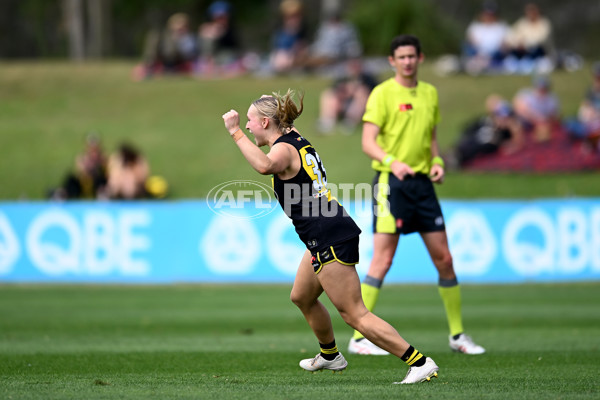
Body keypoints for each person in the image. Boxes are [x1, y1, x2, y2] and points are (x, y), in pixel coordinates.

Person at [221, 90, 439, 384]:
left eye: (250, 121)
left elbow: (263, 166)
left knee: (354, 314)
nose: (247, 126)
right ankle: (330, 355)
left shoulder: (282, 150)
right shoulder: (293, 138)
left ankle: (419, 362)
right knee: (302, 296)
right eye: (243, 123)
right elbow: (283, 127)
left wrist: (234, 132)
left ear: (265, 122)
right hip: (325, 233)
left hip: (329, 235)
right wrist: (269, 107)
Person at [348, 34, 485, 356]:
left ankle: (457, 336)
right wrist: (393, 163)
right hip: (389, 182)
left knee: (445, 260)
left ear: (420, 59)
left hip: (423, 185)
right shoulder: (382, 94)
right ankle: (359, 339)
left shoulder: (429, 93)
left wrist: (437, 162)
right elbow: (368, 142)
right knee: (382, 260)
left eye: (412, 56)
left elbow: (432, 139)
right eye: (402, 57)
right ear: (392, 61)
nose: (408, 61)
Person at [451, 94, 524, 167]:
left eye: (505, 118)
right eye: (499, 116)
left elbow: (517, 143)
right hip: (462, 149)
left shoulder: (505, 133)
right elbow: (466, 130)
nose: (501, 120)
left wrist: (512, 126)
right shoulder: (485, 121)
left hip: (471, 156)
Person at [316, 57, 378, 134]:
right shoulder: (343, 78)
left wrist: (355, 90)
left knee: (361, 93)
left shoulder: (368, 79)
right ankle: (327, 121)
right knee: (328, 94)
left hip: (362, 107)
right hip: (344, 104)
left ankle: (349, 121)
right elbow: (334, 89)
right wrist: (345, 91)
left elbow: (375, 93)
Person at [133, 12, 198, 81]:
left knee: (169, 46)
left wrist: (178, 41)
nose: (179, 29)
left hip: (179, 62)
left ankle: (151, 69)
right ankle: (149, 65)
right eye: (177, 26)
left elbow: (189, 53)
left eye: (182, 27)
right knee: (154, 36)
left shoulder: (189, 37)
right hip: (164, 60)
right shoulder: (166, 37)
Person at [503, 3, 554, 75]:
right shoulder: (522, 23)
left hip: (539, 55)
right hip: (523, 55)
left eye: (533, 10)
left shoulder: (544, 23)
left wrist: (525, 43)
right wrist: (516, 43)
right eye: (529, 11)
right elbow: (512, 36)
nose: (531, 13)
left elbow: (541, 40)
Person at [196, 1, 242, 77]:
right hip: (209, 60)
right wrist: (213, 34)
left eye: (223, 17)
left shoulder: (231, 30)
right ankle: (209, 68)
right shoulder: (206, 28)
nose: (221, 20)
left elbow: (235, 48)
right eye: (218, 17)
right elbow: (203, 48)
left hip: (226, 58)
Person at [463, 1, 509, 75]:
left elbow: (504, 44)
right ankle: (478, 64)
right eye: (486, 14)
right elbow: (470, 41)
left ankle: (486, 64)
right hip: (477, 53)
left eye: (491, 14)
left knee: (499, 52)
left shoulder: (502, 27)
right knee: (466, 46)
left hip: (494, 54)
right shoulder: (475, 26)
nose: (488, 16)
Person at [512, 74, 560, 142]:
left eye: (544, 89)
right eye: (539, 88)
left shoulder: (551, 99)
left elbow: (555, 116)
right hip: (524, 120)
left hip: (541, 123)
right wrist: (535, 117)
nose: (541, 91)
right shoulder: (526, 94)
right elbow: (518, 106)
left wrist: (543, 121)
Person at [564, 61, 600, 149]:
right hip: (589, 122)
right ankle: (590, 139)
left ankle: (591, 140)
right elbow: (584, 107)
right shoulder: (591, 91)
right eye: (596, 77)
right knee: (569, 122)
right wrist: (586, 113)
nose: (597, 80)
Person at [268, 0, 309, 75]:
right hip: (283, 57)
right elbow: (278, 47)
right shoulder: (281, 31)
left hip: (296, 57)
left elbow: (302, 47)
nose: (294, 20)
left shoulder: (301, 31)